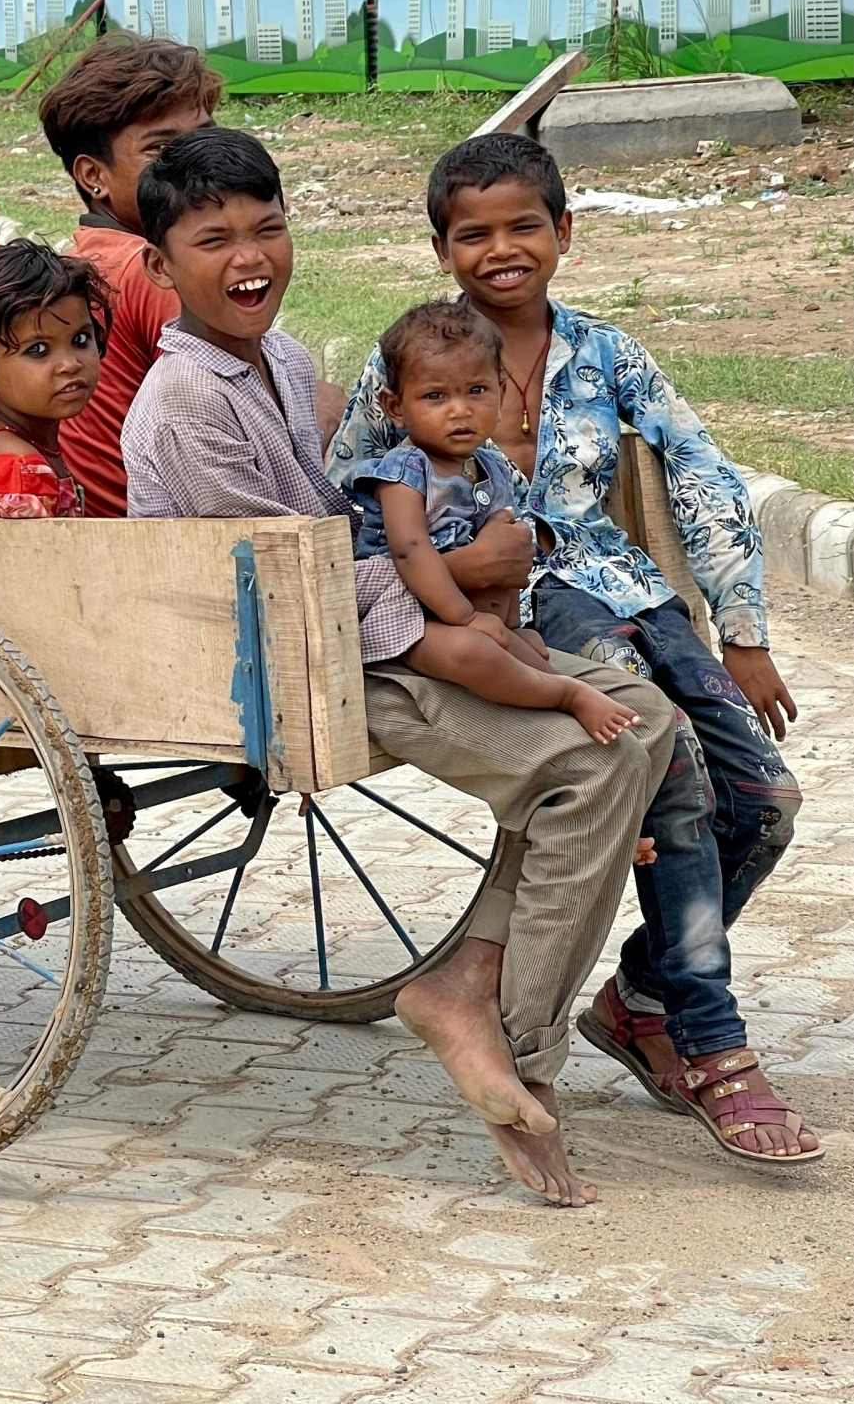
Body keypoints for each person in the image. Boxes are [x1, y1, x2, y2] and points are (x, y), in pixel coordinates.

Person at [121, 128, 677, 1207]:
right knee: (591, 769)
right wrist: (464, 576)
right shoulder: (185, 401)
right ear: (157, 265)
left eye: (268, 228)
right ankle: (522, 1058)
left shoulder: (279, 360)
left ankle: (465, 978)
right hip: (296, 661)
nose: (250, 258)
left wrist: (462, 577)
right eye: (213, 239)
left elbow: (352, 512)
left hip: (366, 624)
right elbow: (299, 576)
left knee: (646, 720)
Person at [330, 132, 817, 1165]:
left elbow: (700, 473)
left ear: (564, 233)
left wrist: (743, 630)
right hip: (524, 619)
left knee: (766, 802)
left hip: (629, 596)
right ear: (441, 247)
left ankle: (643, 995)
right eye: (474, 234)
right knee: (672, 769)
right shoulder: (403, 358)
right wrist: (455, 583)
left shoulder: (607, 354)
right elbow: (348, 511)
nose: (501, 250)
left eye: (524, 227)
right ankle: (713, 1044)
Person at [352, 299, 643, 744]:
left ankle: (568, 698)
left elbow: (505, 548)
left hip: (460, 611)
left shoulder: (488, 465)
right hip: (401, 615)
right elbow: (410, 552)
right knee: (473, 651)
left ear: (502, 391)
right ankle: (567, 696)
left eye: (477, 391)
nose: (460, 411)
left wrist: (507, 622)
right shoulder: (404, 473)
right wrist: (467, 619)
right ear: (395, 406)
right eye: (435, 396)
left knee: (523, 651)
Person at [37, 36, 218, 515]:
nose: (198, 164)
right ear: (93, 176)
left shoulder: (92, 256)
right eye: (161, 149)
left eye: (204, 137)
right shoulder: (145, 269)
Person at [0, 240, 105, 520]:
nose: (70, 364)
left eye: (80, 339)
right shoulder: (15, 474)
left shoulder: (12, 446)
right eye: (37, 350)